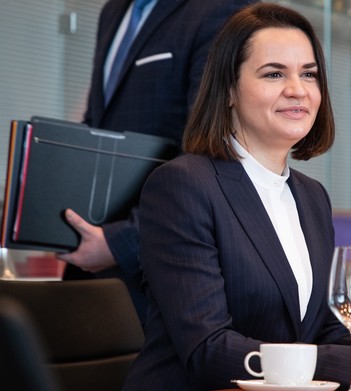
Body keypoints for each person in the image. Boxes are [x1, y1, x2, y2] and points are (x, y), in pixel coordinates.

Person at [122, 3, 351, 390]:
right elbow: (208, 350)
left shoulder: (311, 197)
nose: (297, 89)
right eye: (274, 73)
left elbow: (326, 334)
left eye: (309, 75)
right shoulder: (182, 185)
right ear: (228, 90)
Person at [56, 0, 256, 323]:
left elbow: (213, 143)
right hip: (93, 260)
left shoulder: (221, 8)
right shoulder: (112, 12)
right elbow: (98, 123)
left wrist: (121, 241)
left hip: (160, 269)